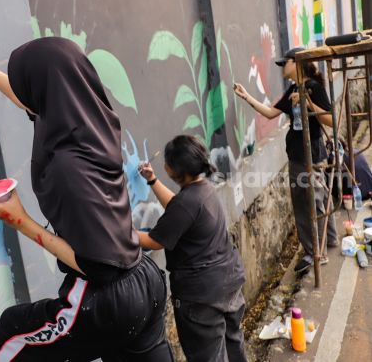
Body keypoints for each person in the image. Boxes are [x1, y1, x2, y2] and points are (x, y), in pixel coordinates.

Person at [0, 32, 173, 361]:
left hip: (106, 297)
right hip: (145, 280)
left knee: (13, 333)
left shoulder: (68, 168)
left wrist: (19, 220)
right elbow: (28, 98)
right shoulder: (95, 121)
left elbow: (98, 268)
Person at [137, 135, 247, 362]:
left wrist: (114, 231)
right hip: (228, 284)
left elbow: (153, 241)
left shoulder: (188, 202)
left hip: (202, 298)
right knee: (233, 347)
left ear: (173, 170)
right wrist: (152, 180)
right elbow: (179, 208)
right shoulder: (204, 189)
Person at [234, 47, 337, 273]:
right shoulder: (292, 88)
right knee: (312, 199)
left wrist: (307, 102)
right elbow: (271, 113)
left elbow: (330, 120)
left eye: (285, 63)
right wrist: (247, 97)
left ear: (297, 63)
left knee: (309, 202)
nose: (282, 68)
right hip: (297, 154)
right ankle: (326, 241)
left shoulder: (313, 88)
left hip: (311, 153)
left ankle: (314, 253)